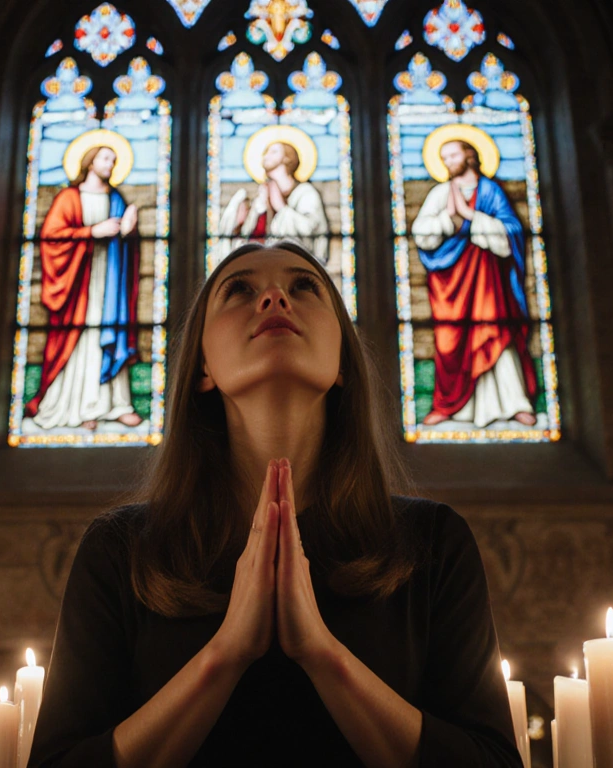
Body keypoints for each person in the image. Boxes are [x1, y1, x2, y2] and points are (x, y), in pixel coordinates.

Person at [29, 240, 525, 767]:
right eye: (239, 289)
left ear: (341, 365)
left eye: (304, 286)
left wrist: (321, 654)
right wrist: (225, 656)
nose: (273, 298)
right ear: (202, 367)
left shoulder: (430, 543)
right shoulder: (122, 552)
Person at [411, 135, 539, 429]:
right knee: (450, 340)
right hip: (450, 281)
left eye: (453, 156)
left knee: (494, 331)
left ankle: (514, 403)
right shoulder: (441, 193)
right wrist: (448, 221)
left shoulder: (491, 191)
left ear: (469, 156)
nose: (447, 163)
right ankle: (450, 406)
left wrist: (471, 216)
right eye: (443, 158)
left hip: (488, 279)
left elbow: (511, 232)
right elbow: (421, 232)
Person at [25, 140, 144, 431]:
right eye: (105, 158)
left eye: (114, 160)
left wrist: (129, 232)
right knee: (83, 336)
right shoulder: (69, 197)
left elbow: (125, 242)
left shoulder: (116, 198)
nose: (110, 165)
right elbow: (52, 236)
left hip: (109, 281)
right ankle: (80, 407)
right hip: (79, 283)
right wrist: (93, 231)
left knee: (107, 330)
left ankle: (115, 406)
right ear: (90, 162)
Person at [218, 137, 334, 280]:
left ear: (287, 158)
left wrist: (281, 208)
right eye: (266, 152)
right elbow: (251, 243)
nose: (266, 155)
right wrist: (240, 226)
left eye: (273, 152)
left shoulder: (306, 193)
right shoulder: (261, 196)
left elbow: (311, 233)